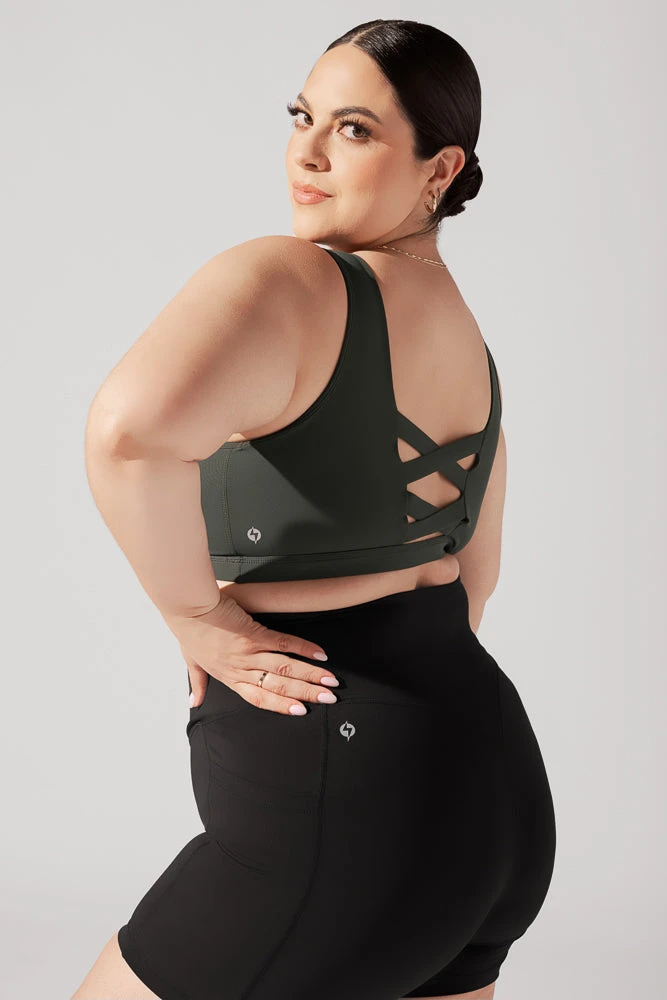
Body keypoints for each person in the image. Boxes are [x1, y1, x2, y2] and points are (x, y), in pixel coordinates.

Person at [73, 18, 556, 1000]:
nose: (307, 151)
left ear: (439, 168)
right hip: (493, 789)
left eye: (354, 129)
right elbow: (474, 580)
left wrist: (198, 617)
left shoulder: (291, 279)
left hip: (345, 823)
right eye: (302, 117)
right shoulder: (467, 343)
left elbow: (127, 433)